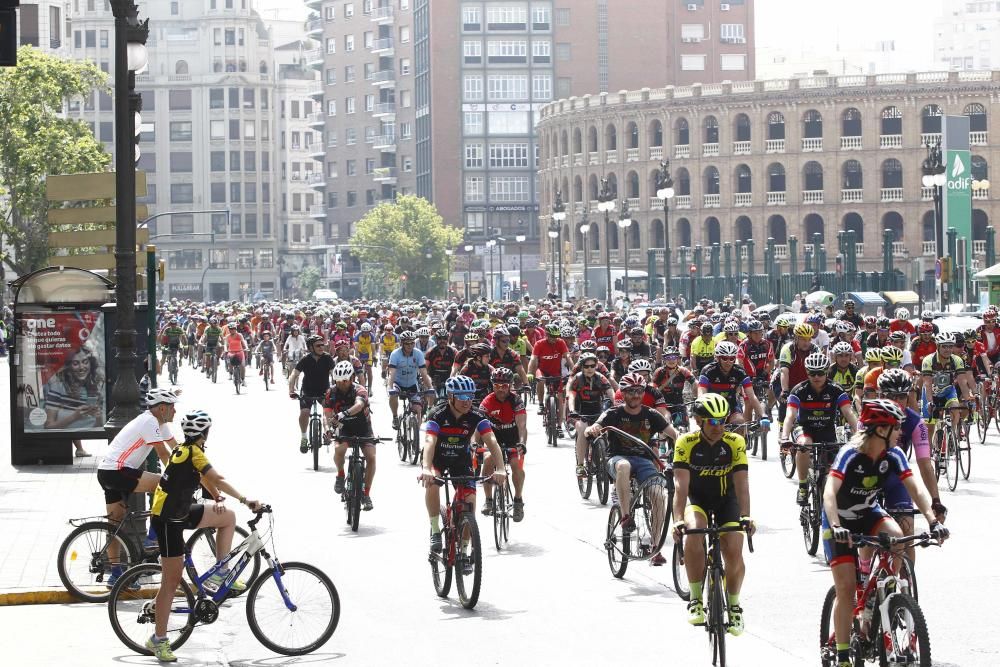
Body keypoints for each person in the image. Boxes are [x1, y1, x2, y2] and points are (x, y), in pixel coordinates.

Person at [821, 399, 948, 667]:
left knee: (896, 535)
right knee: (845, 590)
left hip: (868, 513)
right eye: (896, 427)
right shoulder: (850, 454)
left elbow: (916, 489)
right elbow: (829, 492)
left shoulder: (894, 455)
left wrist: (932, 521)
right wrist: (835, 526)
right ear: (881, 430)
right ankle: (843, 654)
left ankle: (886, 595)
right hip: (839, 521)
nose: (901, 433)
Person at [146, 410, 262, 663]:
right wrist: (245, 499)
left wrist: (219, 497)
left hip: (180, 510)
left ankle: (221, 571)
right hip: (168, 520)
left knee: (227, 517)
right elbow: (217, 477)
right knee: (171, 581)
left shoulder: (184, 450)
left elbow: (202, 478)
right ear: (205, 433)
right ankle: (158, 640)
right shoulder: (193, 453)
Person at [671, 393, 755, 636]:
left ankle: (735, 604)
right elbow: (680, 486)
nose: (719, 427)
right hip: (697, 500)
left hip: (727, 501)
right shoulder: (685, 443)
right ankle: (696, 599)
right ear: (699, 421)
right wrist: (677, 520)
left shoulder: (734, 442)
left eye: (723, 421)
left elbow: (742, 484)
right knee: (694, 531)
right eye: (713, 422)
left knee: (734, 549)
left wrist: (746, 516)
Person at [96, 388, 180, 588]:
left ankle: (116, 574)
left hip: (106, 471)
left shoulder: (158, 422)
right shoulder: (149, 422)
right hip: (117, 471)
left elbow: (177, 450)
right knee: (165, 485)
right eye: (172, 407)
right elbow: (163, 454)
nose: (175, 411)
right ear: (162, 408)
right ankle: (152, 538)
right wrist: (179, 479)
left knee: (114, 525)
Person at [585, 373, 671, 566]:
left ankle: (655, 548)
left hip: (644, 460)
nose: (635, 395)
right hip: (617, 459)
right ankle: (625, 516)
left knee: (659, 495)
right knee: (624, 466)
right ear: (622, 393)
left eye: (639, 391)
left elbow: (672, 433)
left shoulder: (651, 414)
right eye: (630, 391)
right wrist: (592, 430)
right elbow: (594, 426)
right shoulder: (613, 414)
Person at [420, 375, 507, 553]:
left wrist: (501, 468)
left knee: (470, 502)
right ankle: (435, 529)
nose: (467, 401)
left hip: (461, 460)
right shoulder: (437, 414)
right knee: (433, 484)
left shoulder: (476, 415)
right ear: (451, 396)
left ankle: (464, 550)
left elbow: (491, 440)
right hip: (437, 458)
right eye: (462, 397)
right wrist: (426, 468)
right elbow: (429, 442)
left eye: (470, 396)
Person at [780, 351, 858, 505]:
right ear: (807, 372)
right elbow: (790, 416)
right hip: (804, 428)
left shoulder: (836, 389)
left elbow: (849, 413)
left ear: (826, 371)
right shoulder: (798, 390)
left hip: (827, 431)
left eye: (821, 373)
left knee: (834, 468)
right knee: (804, 445)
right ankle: (802, 486)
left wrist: (860, 435)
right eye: (813, 373)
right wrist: (784, 437)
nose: (816, 377)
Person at [325, 360, 377, 510]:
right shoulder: (331, 392)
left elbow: (359, 405)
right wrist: (328, 429)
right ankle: (340, 475)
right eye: (338, 381)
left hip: (363, 427)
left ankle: (366, 494)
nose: (341, 384)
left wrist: (343, 413)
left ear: (352, 378)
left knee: (371, 458)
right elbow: (327, 414)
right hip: (344, 427)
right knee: (339, 450)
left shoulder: (360, 389)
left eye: (345, 381)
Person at [479, 367, 528, 521]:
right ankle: (488, 500)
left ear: (510, 385)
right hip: (493, 439)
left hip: (512, 438)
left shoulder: (516, 401)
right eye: (497, 386)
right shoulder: (487, 402)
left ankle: (518, 500)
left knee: (516, 466)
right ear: (492, 385)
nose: (500, 389)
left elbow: (522, 426)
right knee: (487, 460)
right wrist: (475, 443)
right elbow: (478, 426)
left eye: (504, 386)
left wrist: (522, 443)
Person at [43, 345, 105, 443]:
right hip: (59, 444)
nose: (82, 367)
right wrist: (74, 417)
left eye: (85, 362)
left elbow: (97, 428)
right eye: (76, 363)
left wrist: (98, 416)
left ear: (91, 364)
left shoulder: (94, 390)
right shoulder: (59, 388)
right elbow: (48, 427)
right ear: (69, 367)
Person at [568, 352, 615, 477]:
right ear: (582, 367)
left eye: (593, 366)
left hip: (597, 413)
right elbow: (571, 396)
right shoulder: (577, 379)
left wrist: (617, 405)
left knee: (610, 430)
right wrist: (572, 410)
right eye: (586, 366)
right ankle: (580, 465)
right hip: (579, 413)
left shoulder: (601, 378)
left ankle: (607, 459)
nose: (590, 369)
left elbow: (611, 393)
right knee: (583, 429)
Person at [697, 341, 764, 426]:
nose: (728, 362)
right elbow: (701, 394)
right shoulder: (708, 370)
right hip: (712, 406)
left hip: (731, 404)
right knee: (711, 428)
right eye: (725, 358)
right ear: (717, 358)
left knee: (739, 423)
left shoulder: (740, 371)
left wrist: (763, 415)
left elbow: (752, 396)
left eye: (732, 358)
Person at [288, 334, 335, 452]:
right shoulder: (305, 359)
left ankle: (327, 433)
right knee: (304, 413)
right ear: (310, 348)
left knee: (327, 411)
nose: (321, 347)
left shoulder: (327, 358)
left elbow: (334, 374)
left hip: (324, 390)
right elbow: (294, 374)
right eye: (318, 345)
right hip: (307, 391)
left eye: (322, 345)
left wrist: (336, 388)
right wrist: (291, 389)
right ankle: (304, 437)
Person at [527, 323, 573, 432]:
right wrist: (529, 372)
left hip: (556, 372)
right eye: (552, 336)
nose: (554, 339)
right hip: (542, 370)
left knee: (560, 397)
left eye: (556, 336)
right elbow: (533, 359)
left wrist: (573, 370)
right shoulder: (539, 344)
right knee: (541, 381)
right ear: (546, 335)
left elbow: (568, 357)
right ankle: (541, 404)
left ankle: (559, 426)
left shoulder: (560, 343)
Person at [387, 330, 434, 428]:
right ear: (402, 343)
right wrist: (390, 388)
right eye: (407, 343)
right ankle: (395, 417)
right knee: (393, 395)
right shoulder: (395, 354)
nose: (410, 345)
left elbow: (424, 373)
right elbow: (392, 373)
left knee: (418, 409)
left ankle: (416, 436)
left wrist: (430, 387)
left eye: (412, 343)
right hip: (398, 383)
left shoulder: (418, 354)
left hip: (412, 384)